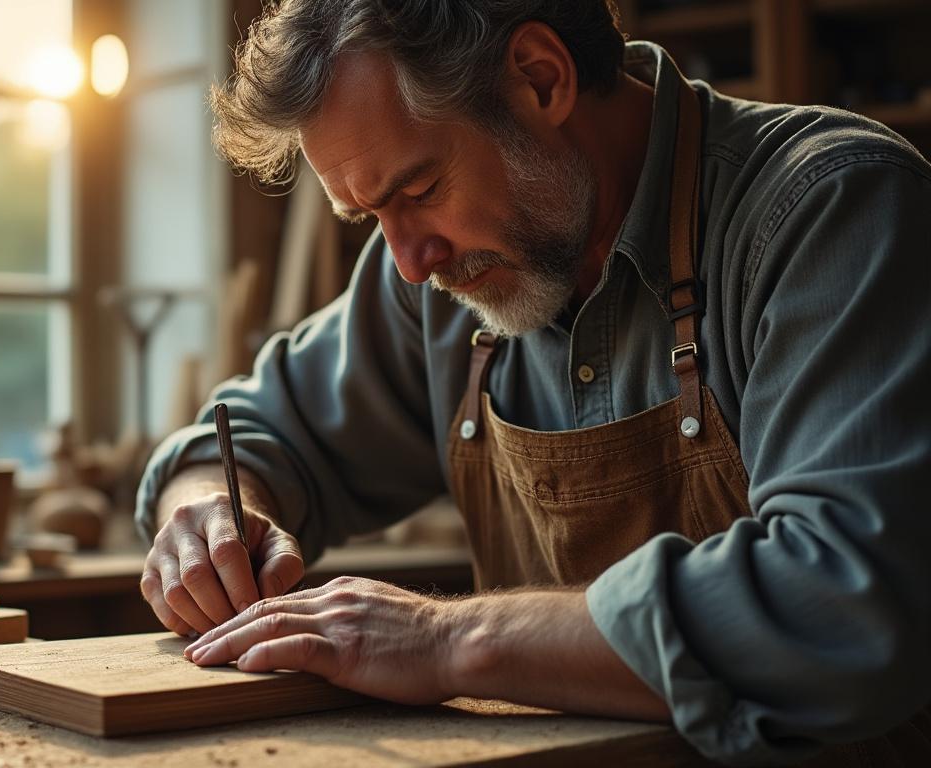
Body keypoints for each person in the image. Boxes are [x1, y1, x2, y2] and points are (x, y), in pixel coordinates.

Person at [133, 1, 931, 763]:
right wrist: (207, 512)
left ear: (542, 78)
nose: (411, 263)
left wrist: (447, 640)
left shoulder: (829, 210)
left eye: (418, 191)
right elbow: (250, 431)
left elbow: (843, 603)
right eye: (369, 216)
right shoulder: (437, 274)